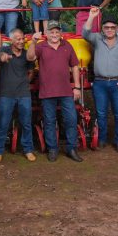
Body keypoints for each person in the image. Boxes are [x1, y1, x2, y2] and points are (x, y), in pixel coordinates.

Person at [27, 21, 83, 163]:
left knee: (71, 119)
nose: (54, 34)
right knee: (49, 121)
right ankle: (52, 148)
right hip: (47, 91)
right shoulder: (41, 46)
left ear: (61, 33)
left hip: (66, 91)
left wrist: (77, 87)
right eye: (51, 32)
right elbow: (30, 57)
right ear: (46, 34)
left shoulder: (67, 45)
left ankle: (71, 148)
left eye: (57, 32)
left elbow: (75, 66)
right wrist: (33, 42)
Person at [82, 8, 118, 152]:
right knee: (101, 113)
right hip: (100, 83)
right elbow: (85, 33)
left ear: (117, 28)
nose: (109, 30)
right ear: (102, 28)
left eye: (112, 27)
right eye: (106, 27)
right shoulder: (97, 39)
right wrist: (91, 16)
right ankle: (101, 139)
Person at [0, 28, 36, 163]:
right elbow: (0, 56)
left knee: (26, 123)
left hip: (24, 94)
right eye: (18, 39)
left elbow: (31, 72)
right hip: (6, 94)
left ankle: (28, 150)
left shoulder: (27, 54)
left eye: (23, 39)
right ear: (11, 40)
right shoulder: (4, 50)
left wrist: (25, 82)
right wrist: (4, 57)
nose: (21, 41)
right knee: (3, 123)